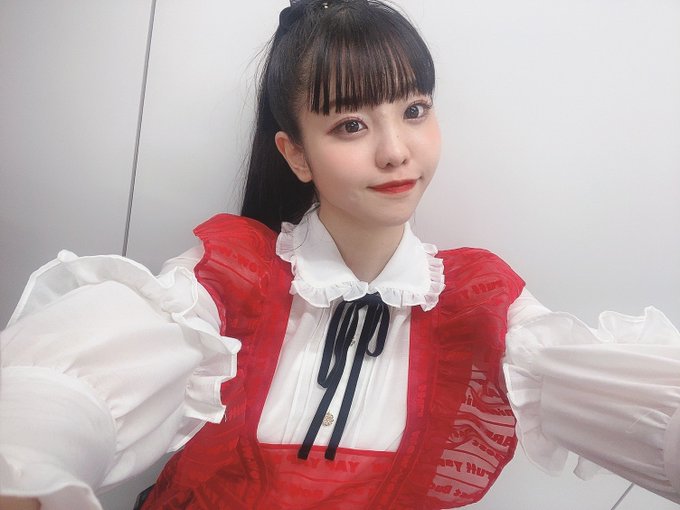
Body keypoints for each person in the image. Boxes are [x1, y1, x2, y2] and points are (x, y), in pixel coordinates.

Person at [1, 1, 679, 509]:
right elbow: (73, 384)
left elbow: (616, 392)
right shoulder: (233, 275)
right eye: (351, 124)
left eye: (414, 110)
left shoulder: (479, 300)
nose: (396, 151)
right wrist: (27, 464)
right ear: (295, 154)